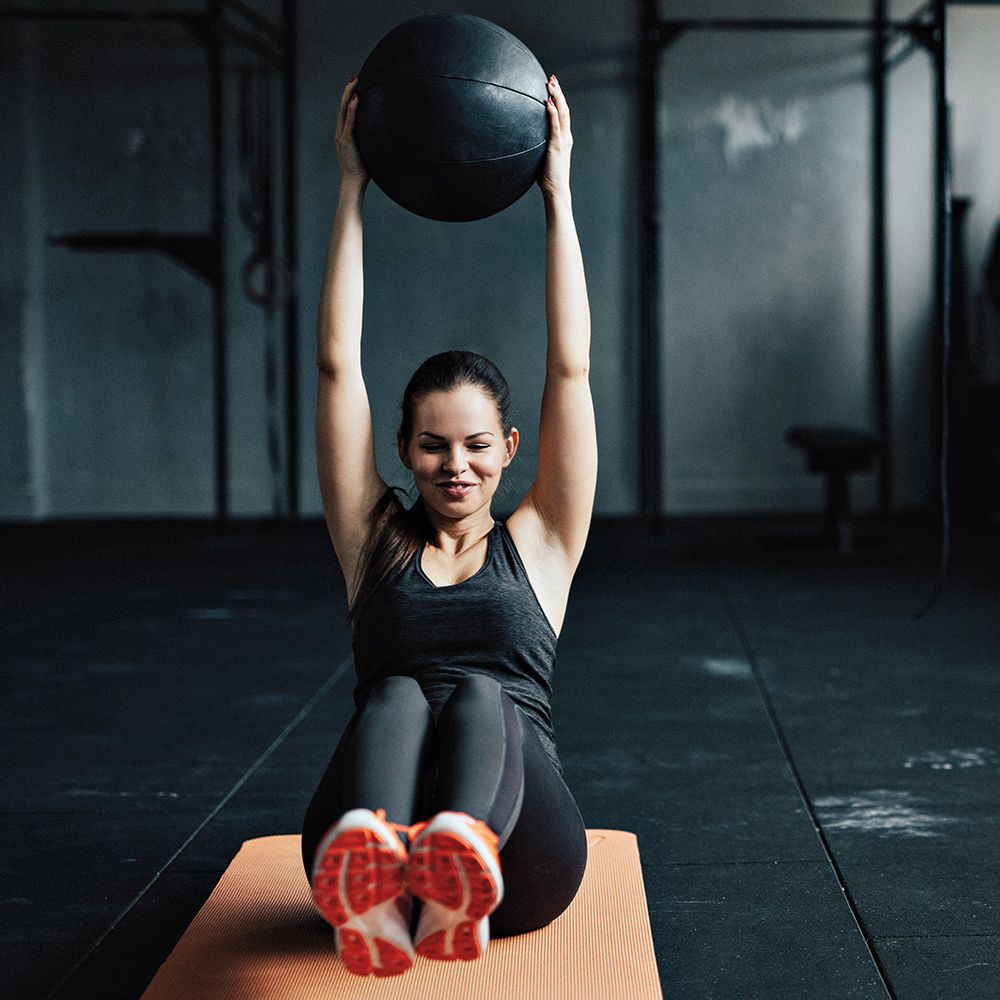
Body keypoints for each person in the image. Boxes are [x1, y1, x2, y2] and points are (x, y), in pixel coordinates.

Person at [300, 71, 597, 978]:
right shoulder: (371, 542)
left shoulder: (541, 542)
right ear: (402, 448)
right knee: (393, 692)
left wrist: (558, 195)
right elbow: (335, 368)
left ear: (510, 447)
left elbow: (571, 370)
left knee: (479, 693)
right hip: (368, 833)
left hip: (523, 855)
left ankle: (461, 856)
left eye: (475, 446)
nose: (454, 466)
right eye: (431, 447)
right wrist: (352, 183)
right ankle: (373, 865)